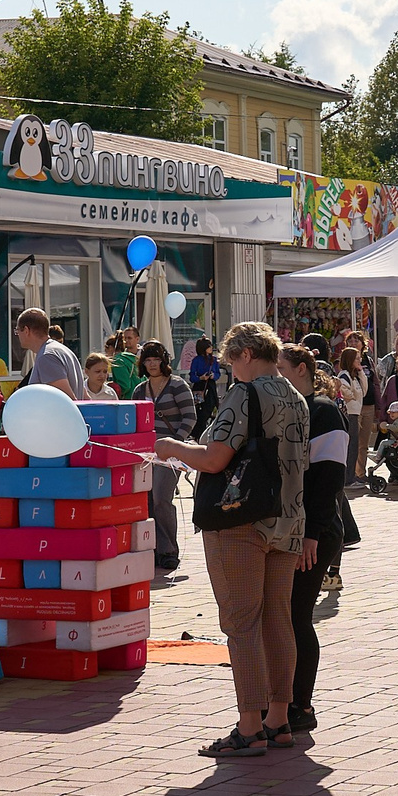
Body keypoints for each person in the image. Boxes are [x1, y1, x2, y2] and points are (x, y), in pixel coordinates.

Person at [155, 322, 308, 757]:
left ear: (243, 355)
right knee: (278, 620)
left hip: (240, 521)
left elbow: (214, 457)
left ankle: (249, 726)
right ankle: (279, 719)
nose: (228, 371)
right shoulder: (294, 394)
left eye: (229, 362)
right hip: (287, 519)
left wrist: (170, 446)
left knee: (241, 625)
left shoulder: (246, 392)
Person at [279, 345, 347, 741]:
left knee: (296, 616)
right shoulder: (285, 408)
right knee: (283, 616)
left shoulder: (323, 411)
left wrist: (312, 535)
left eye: (283, 369)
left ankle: (301, 706)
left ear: (301, 369)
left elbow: (329, 482)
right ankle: (283, 701)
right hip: (288, 530)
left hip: (314, 532)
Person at [136, 342, 197, 579]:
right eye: (148, 360)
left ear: (164, 361)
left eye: (156, 359)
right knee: (146, 502)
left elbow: (190, 418)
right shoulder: (140, 390)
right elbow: (136, 420)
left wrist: (174, 443)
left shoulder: (177, 386)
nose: (152, 364)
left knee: (162, 499)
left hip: (170, 452)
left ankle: (169, 549)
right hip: (146, 453)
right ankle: (152, 549)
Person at [16, 307, 87, 399]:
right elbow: (85, 398)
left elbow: (67, 401)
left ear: (26, 331)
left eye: (17, 331)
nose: (17, 336)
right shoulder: (62, 350)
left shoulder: (47, 357)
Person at [334, 347, 372, 487]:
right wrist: (355, 398)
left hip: (356, 413)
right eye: (356, 358)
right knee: (350, 447)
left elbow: (364, 390)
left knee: (355, 446)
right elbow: (346, 394)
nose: (359, 360)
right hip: (349, 414)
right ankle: (348, 478)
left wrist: (361, 371)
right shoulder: (344, 375)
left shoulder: (354, 376)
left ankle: (351, 475)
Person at [188, 335, 222, 427]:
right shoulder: (196, 360)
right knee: (199, 410)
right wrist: (200, 378)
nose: (211, 348)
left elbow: (218, 374)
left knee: (210, 408)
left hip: (210, 387)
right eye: (209, 346)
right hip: (199, 386)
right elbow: (192, 376)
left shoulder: (214, 360)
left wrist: (213, 376)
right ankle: (198, 432)